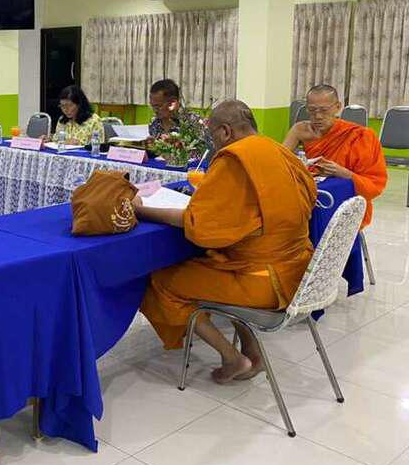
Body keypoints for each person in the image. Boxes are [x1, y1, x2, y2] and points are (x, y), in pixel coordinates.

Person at [134, 99, 317, 383]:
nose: (214, 143)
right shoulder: (280, 150)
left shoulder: (235, 159)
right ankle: (252, 351)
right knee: (217, 263)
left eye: (213, 135)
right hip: (300, 272)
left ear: (225, 132)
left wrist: (142, 211)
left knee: (159, 281)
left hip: (264, 281)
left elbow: (198, 225)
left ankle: (233, 358)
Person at [283, 84, 387, 228]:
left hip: (345, 200)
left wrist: (342, 173)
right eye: (312, 110)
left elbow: (374, 185)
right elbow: (280, 160)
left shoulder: (360, 136)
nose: (318, 116)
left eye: (324, 110)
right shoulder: (301, 130)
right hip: (313, 195)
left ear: (337, 107)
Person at [148, 79, 211, 150]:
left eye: (158, 106)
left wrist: (181, 147)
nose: (155, 110)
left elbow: (209, 150)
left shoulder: (193, 121)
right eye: (152, 106)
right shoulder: (154, 122)